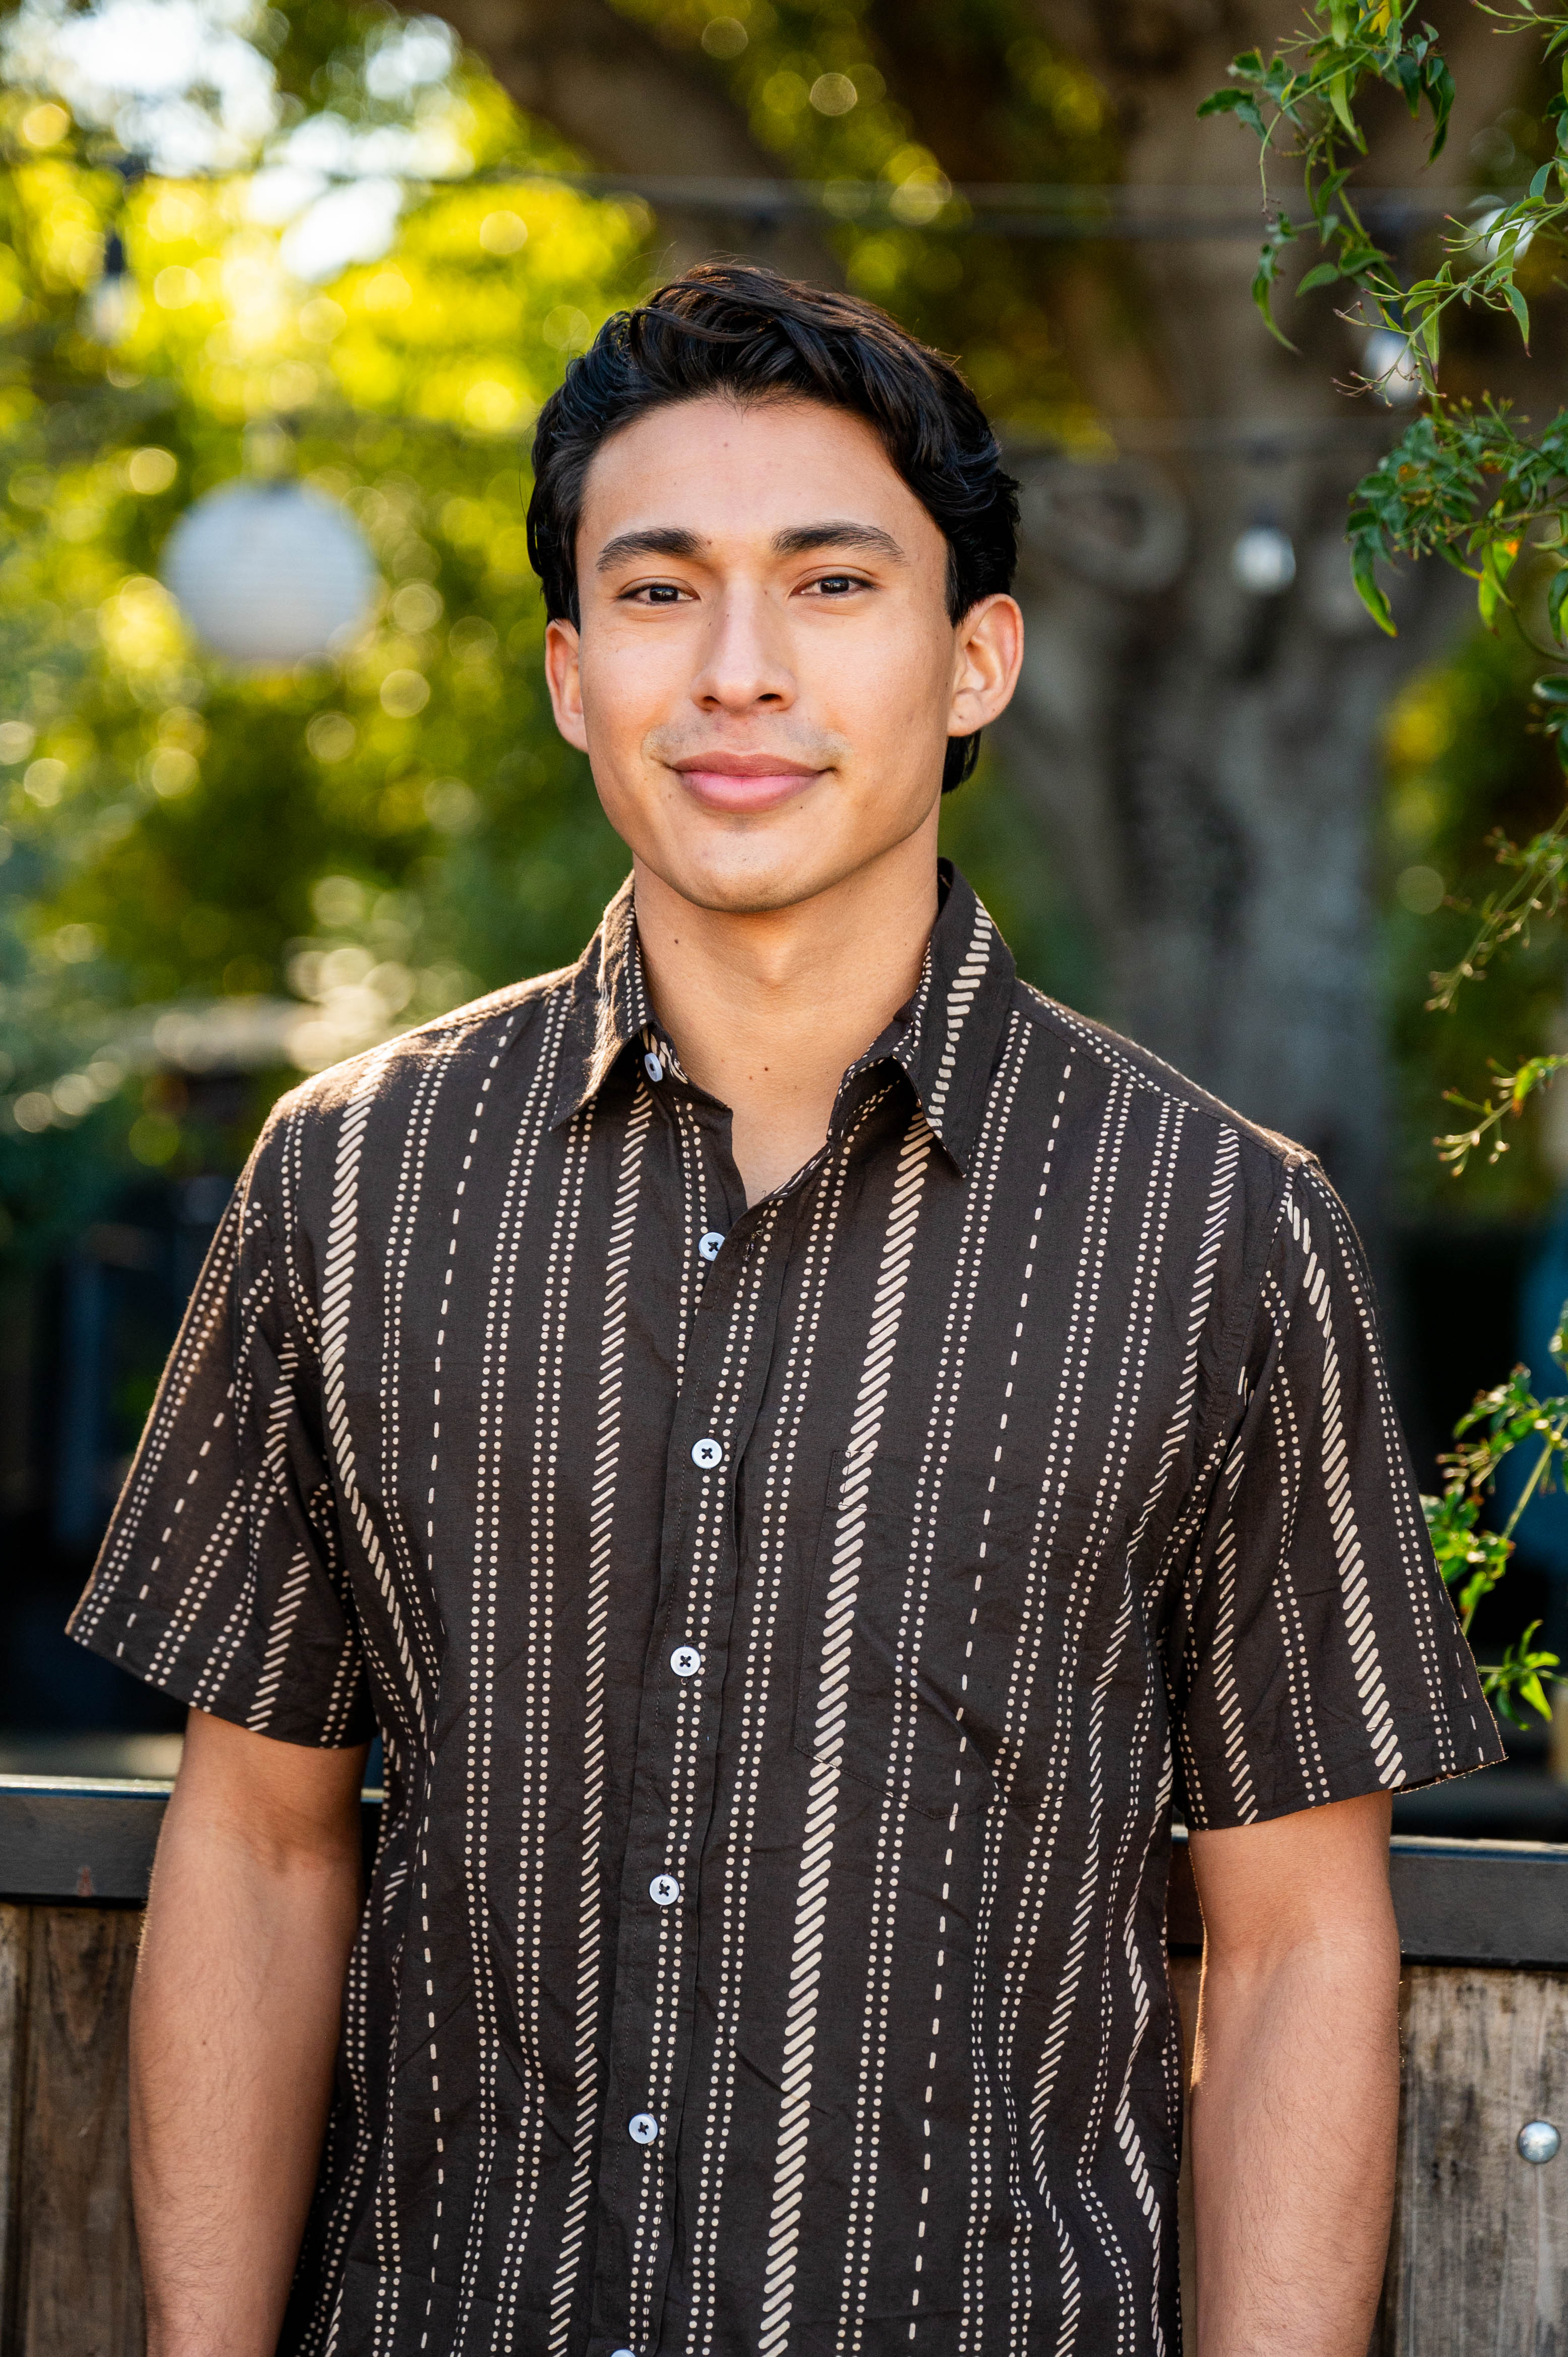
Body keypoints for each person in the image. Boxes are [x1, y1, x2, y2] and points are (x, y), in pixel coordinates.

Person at [72, 261, 1502, 2357]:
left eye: (832, 585)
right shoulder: (350, 1179)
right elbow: (264, 1846)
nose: (738, 669)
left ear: (973, 659)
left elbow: (1291, 1945)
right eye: (659, 593)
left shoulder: (1214, 1230)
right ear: (571, 672)